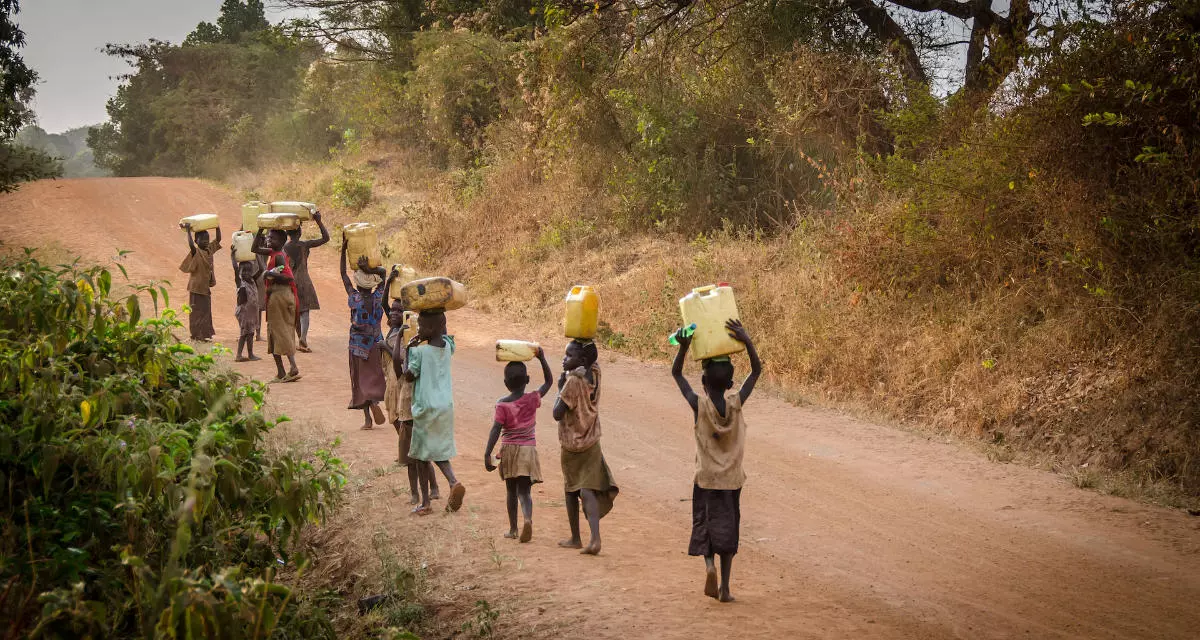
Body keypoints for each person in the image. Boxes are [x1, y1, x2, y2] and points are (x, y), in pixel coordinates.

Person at [670, 319, 761, 603]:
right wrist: (746, 340)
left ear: (704, 382)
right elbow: (757, 371)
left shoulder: (699, 406)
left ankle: (708, 566)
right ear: (731, 383)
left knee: (705, 525)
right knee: (728, 531)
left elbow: (676, 375)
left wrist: (683, 348)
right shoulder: (736, 403)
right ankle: (725, 588)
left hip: (706, 479)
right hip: (732, 481)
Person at [552, 339, 619, 555]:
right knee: (587, 489)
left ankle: (575, 537)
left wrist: (560, 386)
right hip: (592, 440)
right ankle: (595, 538)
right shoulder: (596, 374)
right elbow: (593, 361)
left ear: (581, 360)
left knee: (571, 490)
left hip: (572, 444)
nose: (564, 358)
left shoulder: (572, 383)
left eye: (569, 355)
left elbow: (557, 413)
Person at [483, 348, 553, 543]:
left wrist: (487, 453)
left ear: (506, 383)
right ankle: (528, 519)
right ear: (528, 379)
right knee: (525, 491)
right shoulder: (532, 399)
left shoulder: (502, 404)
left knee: (510, 491)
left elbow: (495, 430)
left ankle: (514, 528)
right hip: (528, 450)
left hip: (510, 450)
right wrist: (542, 359)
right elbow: (549, 382)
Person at [403, 310, 465, 515]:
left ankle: (426, 502)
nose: (418, 329)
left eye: (420, 325)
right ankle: (452, 482)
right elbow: (445, 334)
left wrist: (408, 349)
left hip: (425, 407)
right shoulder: (448, 347)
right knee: (435, 449)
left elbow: (408, 376)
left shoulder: (420, 352)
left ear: (430, 328)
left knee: (421, 456)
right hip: (445, 405)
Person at [381, 296, 441, 504]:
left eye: (399, 311)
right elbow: (398, 368)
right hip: (405, 410)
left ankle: (430, 489)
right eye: (393, 311)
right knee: (409, 459)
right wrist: (398, 339)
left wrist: (399, 343)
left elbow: (402, 367)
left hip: (417, 412)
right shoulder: (403, 342)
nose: (394, 314)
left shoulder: (416, 350)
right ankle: (416, 493)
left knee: (421, 458)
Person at [341, 243, 388, 430]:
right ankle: (374, 400)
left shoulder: (355, 298)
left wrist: (344, 249)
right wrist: (371, 268)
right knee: (375, 376)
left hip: (358, 344)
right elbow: (384, 274)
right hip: (376, 342)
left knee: (359, 379)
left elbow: (343, 276)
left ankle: (368, 418)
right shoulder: (378, 297)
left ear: (358, 283)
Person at [252, 228, 301, 382]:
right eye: (268, 237)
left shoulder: (279, 256)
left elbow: (289, 278)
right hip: (276, 296)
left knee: (281, 332)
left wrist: (269, 274)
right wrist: (260, 231)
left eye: (272, 238)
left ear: (281, 242)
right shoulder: (273, 253)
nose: (268, 240)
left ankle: (293, 368)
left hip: (280, 296)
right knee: (275, 332)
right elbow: (254, 249)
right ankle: (281, 372)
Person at [284, 211, 330, 352]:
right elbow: (325, 238)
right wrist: (318, 221)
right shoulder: (304, 245)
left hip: (289, 281)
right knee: (305, 311)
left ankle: (298, 339)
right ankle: (303, 338)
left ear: (288, 234)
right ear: (300, 232)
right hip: (304, 280)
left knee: (294, 311)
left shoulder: (284, 247)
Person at [178, 223, 222, 342]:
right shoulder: (196, 252)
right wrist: (188, 230)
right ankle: (195, 335)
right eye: (203, 240)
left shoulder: (209, 250)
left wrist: (217, 226)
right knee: (196, 312)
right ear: (197, 241)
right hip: (196, 288)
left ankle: (204, 335)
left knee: (205, 311)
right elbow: (191, 244)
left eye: (207, 239)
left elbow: (218, 239)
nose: (206, 241)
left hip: (204, 288)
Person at [234, 259, 263, 362]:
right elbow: (235, 269)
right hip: (244, 313)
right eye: (243, 271)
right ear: (240, 272)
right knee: (244, 333)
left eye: (249, 271)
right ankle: (238, 355)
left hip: (252, 313)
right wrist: (233, 257)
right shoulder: (240, 282)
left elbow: (261, 269)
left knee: (251, 333)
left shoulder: (253, 280)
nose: (246, 273)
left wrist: (257, 256)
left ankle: (250, 354)